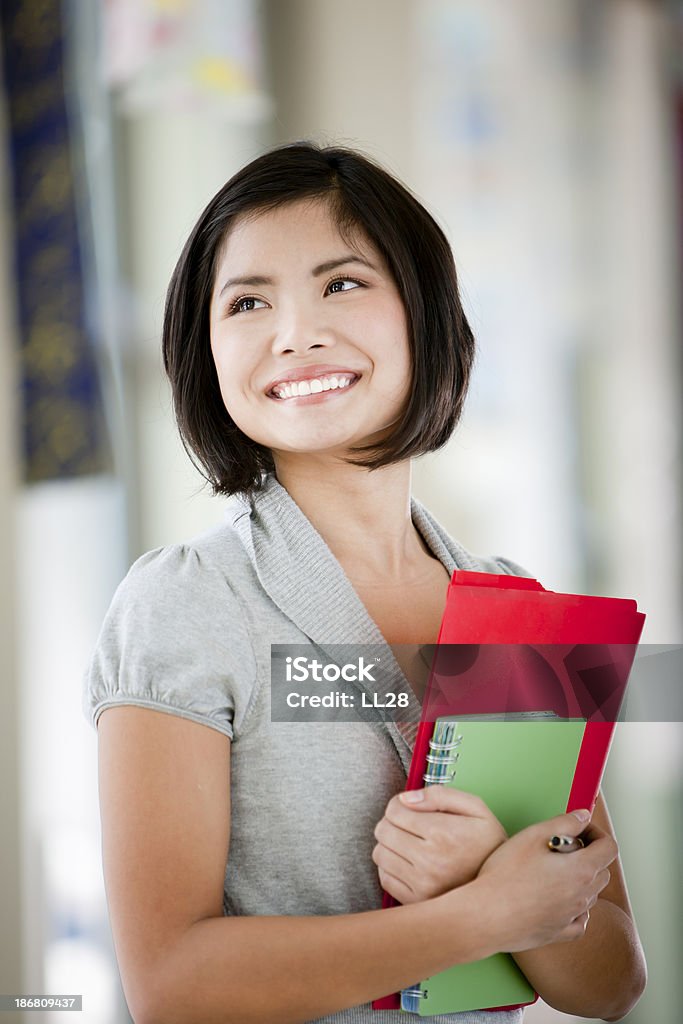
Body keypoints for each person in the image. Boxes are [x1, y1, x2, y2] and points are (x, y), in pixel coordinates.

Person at [83, 141, 646, 1024]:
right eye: (247, 301)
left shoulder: (518, 611)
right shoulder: (184, 601)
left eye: (340, 284)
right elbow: (171, 985)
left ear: (423, 312)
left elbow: (613, 984)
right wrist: (478, 915)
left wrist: (499, 879)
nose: (294, 332)